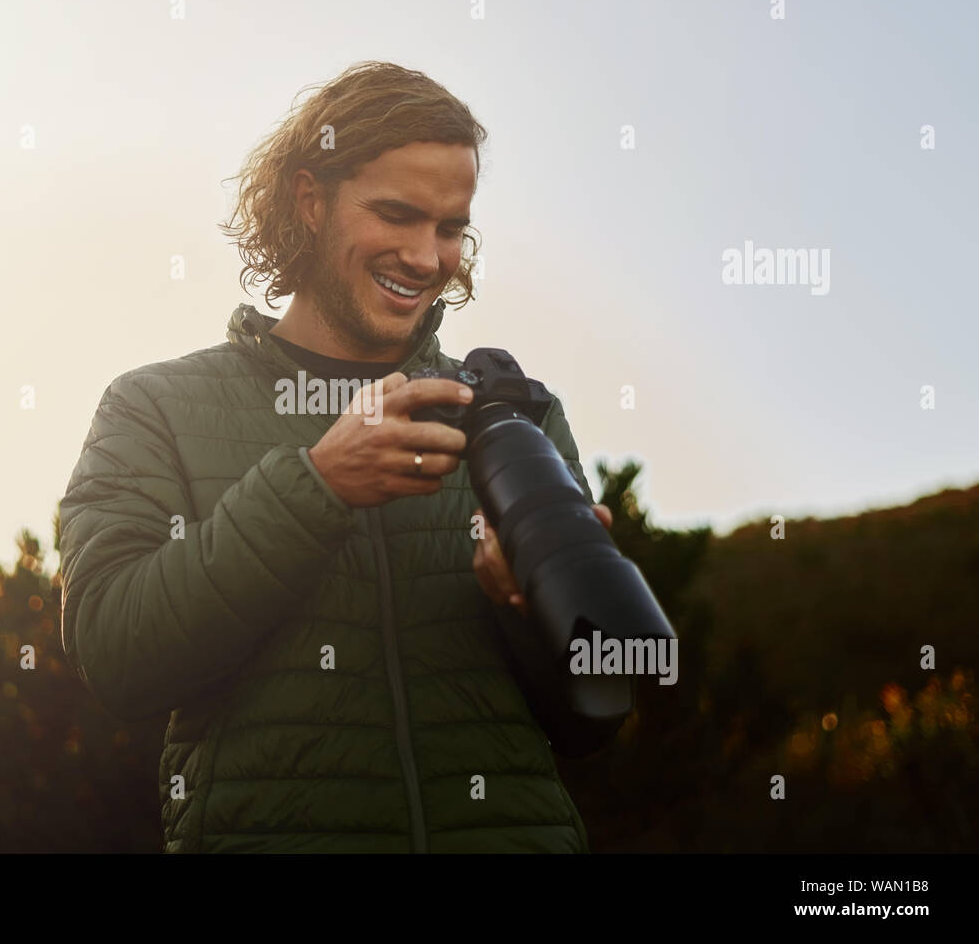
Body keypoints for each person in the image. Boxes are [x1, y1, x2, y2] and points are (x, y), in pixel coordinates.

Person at [59, 60, 615, 853]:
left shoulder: (516, 415)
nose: (427, 258)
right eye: (396, 214)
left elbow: (595, 718)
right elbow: (117, 655)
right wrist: (314, 487)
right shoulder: (154, 407)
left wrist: (527, 607)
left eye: (451, 227)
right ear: (309, 200)